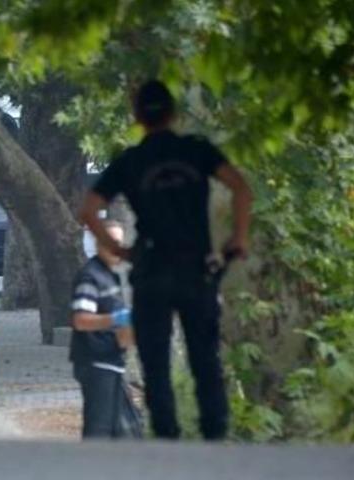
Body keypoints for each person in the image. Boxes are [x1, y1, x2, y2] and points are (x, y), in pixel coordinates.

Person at [79, 80, 253, 441]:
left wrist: (120, 250)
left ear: (138, 117)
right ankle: (214, 439)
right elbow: (240, 188)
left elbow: (89, 209)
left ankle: (167, 440)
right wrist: (238, 237)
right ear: (174, 113)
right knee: (205, 358)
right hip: (195, 270)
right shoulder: (196, 151)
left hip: (151, 270)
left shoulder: (130, 162)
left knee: (155, 363)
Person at [70, 221, 138, 439]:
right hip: (96, 362)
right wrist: (117, 318)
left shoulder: (111, 276)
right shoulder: (90, 277)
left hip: (113, 362)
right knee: (99, 431)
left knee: (124, 431)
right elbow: (81, 320)